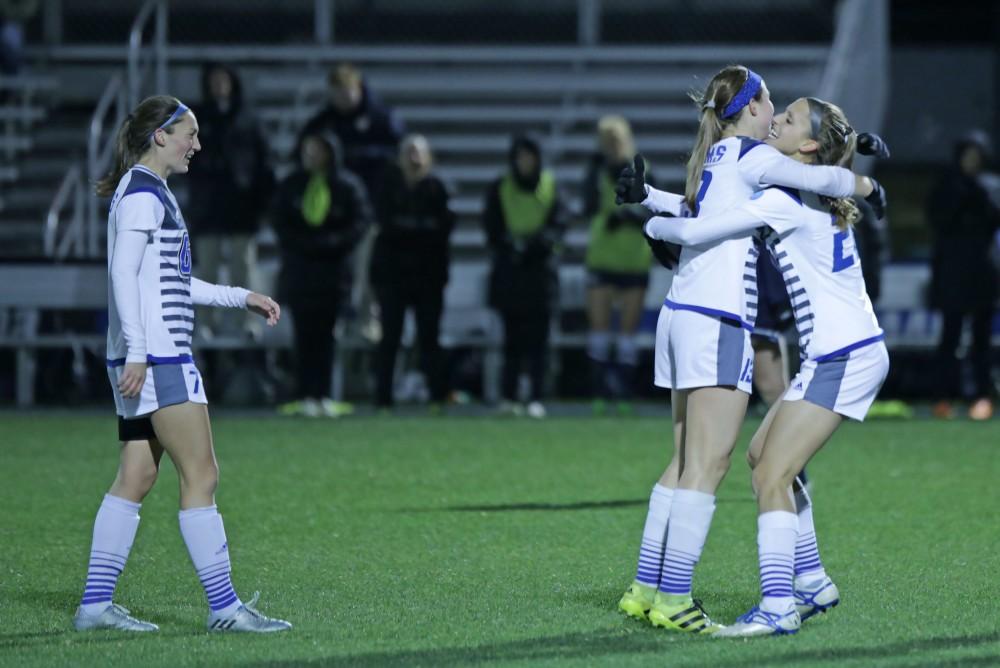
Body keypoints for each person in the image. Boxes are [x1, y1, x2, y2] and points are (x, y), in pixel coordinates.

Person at [613, 64, 886, 634]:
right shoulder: (782, 179)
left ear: (805, 144)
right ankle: (810, 581)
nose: (776, 118)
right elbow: (822, 176)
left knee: (766, 474)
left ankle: (779, 605)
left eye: (787, 118)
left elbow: (699, 225)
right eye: (774, 109)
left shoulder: (779, 191)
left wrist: (653, 220)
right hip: (834, 350)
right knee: (763, 459)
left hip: (844, 352)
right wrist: (855, 154)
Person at [76, 95, 290, 633]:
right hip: (160, 355)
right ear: (160, 137)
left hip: (144, 355)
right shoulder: (145, 196)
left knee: (137, 474)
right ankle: (225, 609)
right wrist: (144, 353)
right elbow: (124, 276)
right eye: (189, 134)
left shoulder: (147, 192)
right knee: (202, 474)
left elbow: (167, 280)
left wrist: (239, 295)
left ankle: (94, 606)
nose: (197, 144)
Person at [271, 131, 373, 418]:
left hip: (333, 273)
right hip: (301, 272)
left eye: (318, 150)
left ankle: (324, 394)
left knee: (327, 335)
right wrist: (304, 245)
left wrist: (331, 244)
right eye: (309, 150)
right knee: (303, 335)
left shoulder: (347, 186)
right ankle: (304, 394)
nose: (312, 156)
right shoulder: (291, 185)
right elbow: (280, 222)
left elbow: (360, 222)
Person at [187, 62, 274, 340]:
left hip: (241, 205)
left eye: (224, 81)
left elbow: (263, 163)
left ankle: (248, 323)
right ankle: (206, 323)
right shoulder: (195, 120)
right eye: (214, 81)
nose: (219, 86)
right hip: (209, 206)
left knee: (243, 268)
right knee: (207, 268)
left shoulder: (248, 119)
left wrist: (261, 201)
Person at [484, 135, 567, 418]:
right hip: (510, 272)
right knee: (511, 340)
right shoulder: (500, 187)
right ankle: (508, 396)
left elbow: (559, 224)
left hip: (540, 273)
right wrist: (511, 246)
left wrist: (533, 245)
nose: (525, 161)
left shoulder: (551, 185)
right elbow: (491, 227)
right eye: (520, 156)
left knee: (538, 343)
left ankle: (535, 397)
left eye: (529, 155)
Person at [370, 134, 455, 411]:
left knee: (429, 337)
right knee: (390, 337)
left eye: (419, 153)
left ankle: (436, 396)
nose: (414, 158)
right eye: (409, 152)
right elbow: (388, 228)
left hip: (428, 276)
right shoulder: (388, 187)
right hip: (394, 276)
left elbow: (440, 230)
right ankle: (383, 398)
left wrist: (408, 231)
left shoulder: (438, 189)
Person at [582, 116, 654, 415]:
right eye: (606, 140)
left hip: (634, 259)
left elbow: (656, 208)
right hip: (602, 257)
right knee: (599, 332)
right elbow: (586, 206)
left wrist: (632, 218)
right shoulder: (595, 171)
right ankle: (599, 393)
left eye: (616, 139)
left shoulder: (643, 169)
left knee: (627, 334)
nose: (612, 145)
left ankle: (623, 392)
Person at [927, 131, 999, 421]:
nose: (972, 161)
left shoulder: (991, 187)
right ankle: (945, 397)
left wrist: (980, 195)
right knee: (950, 338)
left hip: (983, 273)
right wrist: (962, 194)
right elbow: (939, 220)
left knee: (981, 340)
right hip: (952, 273)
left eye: (976, 155)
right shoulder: (946, 186)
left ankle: (981, 397)